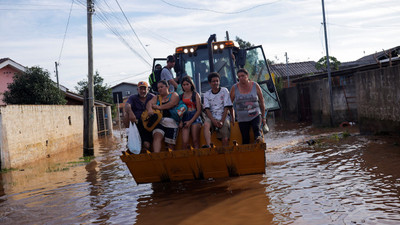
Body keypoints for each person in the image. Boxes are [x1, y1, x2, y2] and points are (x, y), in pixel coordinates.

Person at [230, 68, 266, 144]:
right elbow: (229, 104)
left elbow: (262, 102)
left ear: (247, 75)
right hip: (242, 118)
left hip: (255, 115)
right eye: (239, 77)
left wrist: (263, 117)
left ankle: (259, 147)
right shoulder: (234, 88)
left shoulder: (255, 85)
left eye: (242, 76)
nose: (240, 78)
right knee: (245, 138)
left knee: (257, 130)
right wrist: (232, 116)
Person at [146, 80, 179, 152]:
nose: (159, 89)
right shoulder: (156, 97)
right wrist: (149, 109)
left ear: (167, 87)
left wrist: (159, 107)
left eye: (161, 87)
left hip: (172, 122)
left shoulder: (174, 95)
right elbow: (149, 103)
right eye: (158, 88)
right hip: (159, 121)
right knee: (156, 136)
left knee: (170, 144)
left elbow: (172, 104)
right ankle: (156, 156)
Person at [203, 72, 234, 147]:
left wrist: (222, 121)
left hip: (223, 116)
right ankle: (209, 146)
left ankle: (225, 153)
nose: (215, 83)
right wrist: (213, 121)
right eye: (213, 81)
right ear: (210, 83)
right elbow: (207, 110)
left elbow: (227, 107)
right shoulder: (207, 94)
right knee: (206, 124)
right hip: (211, 116)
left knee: (225, 138)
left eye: (217, 81)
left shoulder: (225, 91)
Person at [124, 81, 155, 152]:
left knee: (146, 144)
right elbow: (127, 105)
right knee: (126, 114)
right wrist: (130, 112)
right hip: (136, 122)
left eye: (145, 89)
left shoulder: (152, 97)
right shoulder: (133, 97)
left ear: (148, 89)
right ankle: (128, 135)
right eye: (141, 89)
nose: (143, 91)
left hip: (148, 123)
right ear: (137, 90)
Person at [179, 76, 202, 149]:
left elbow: (199, 110)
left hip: (194, 117)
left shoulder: (195, 95)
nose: (185, 86)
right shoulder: (180, 96)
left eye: (187, 84)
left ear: (191, 84)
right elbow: (179, 110)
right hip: (185, 117)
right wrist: (180, 121)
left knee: (195, 140)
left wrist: (190, 121)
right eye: (184, 85)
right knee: (184, 142)